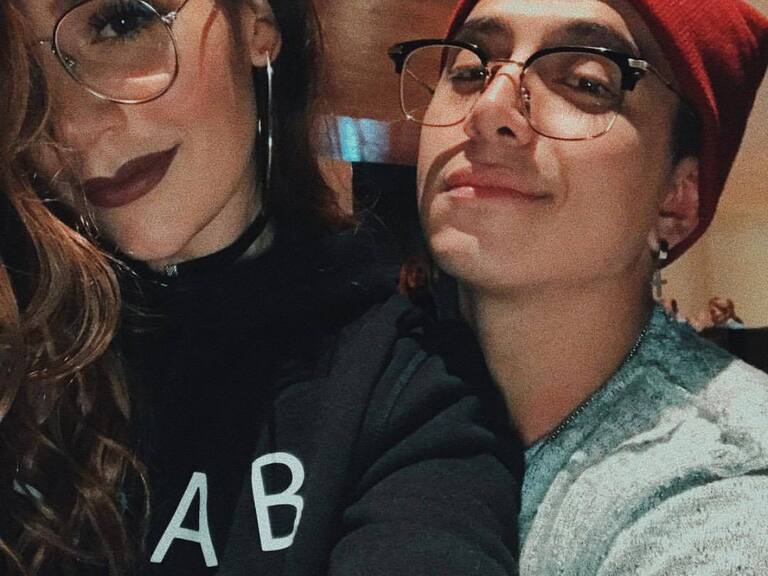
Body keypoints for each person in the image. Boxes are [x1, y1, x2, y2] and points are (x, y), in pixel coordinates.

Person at [4, 1, 523, 575]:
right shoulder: (24, 350)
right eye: (16, 70)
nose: (71, 126)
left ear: (257, 24)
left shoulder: (405, 387)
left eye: (123, 22)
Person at [390, 0, 768, 572]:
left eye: (587, 82)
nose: (489, 108)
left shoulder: (725, 490)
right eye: (469, 70)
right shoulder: (351, 384)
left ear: (677, 200)